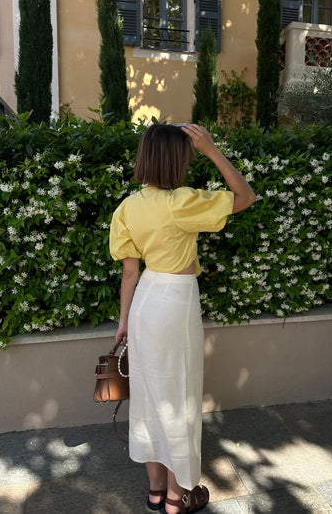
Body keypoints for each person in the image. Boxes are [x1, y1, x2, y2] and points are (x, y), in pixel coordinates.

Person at [109, 123, 256, 514]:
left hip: (142, 306)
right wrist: (212, 150)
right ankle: (178, 498)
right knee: (178, 398)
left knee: (150, 396)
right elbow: (245, 196)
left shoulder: (128, 206)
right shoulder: (182, 202)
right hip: (175, 304)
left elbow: (129, 273)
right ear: (177, 161)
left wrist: (124, 321)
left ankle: (156, 492)